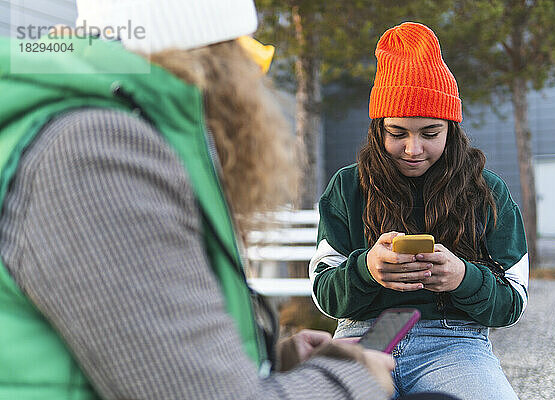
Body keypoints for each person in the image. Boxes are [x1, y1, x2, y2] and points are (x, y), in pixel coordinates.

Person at [0, 1, 401, 399]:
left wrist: (272, 361)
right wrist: (353, 381)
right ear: (216, 57)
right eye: (250, 56)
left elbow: (145, 358)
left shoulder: (101, 128)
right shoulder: (96, 152)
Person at [309, 22, 529, 400]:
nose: (413, 149)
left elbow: (514, 301)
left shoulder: (487, 191)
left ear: (452, 128)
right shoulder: (348, 187)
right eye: (398, 133)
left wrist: (463, 276)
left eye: (430, 133)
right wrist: (367, 270)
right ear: (378, 130)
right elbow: (323, 293)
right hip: (365, 338)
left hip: (454, 342)